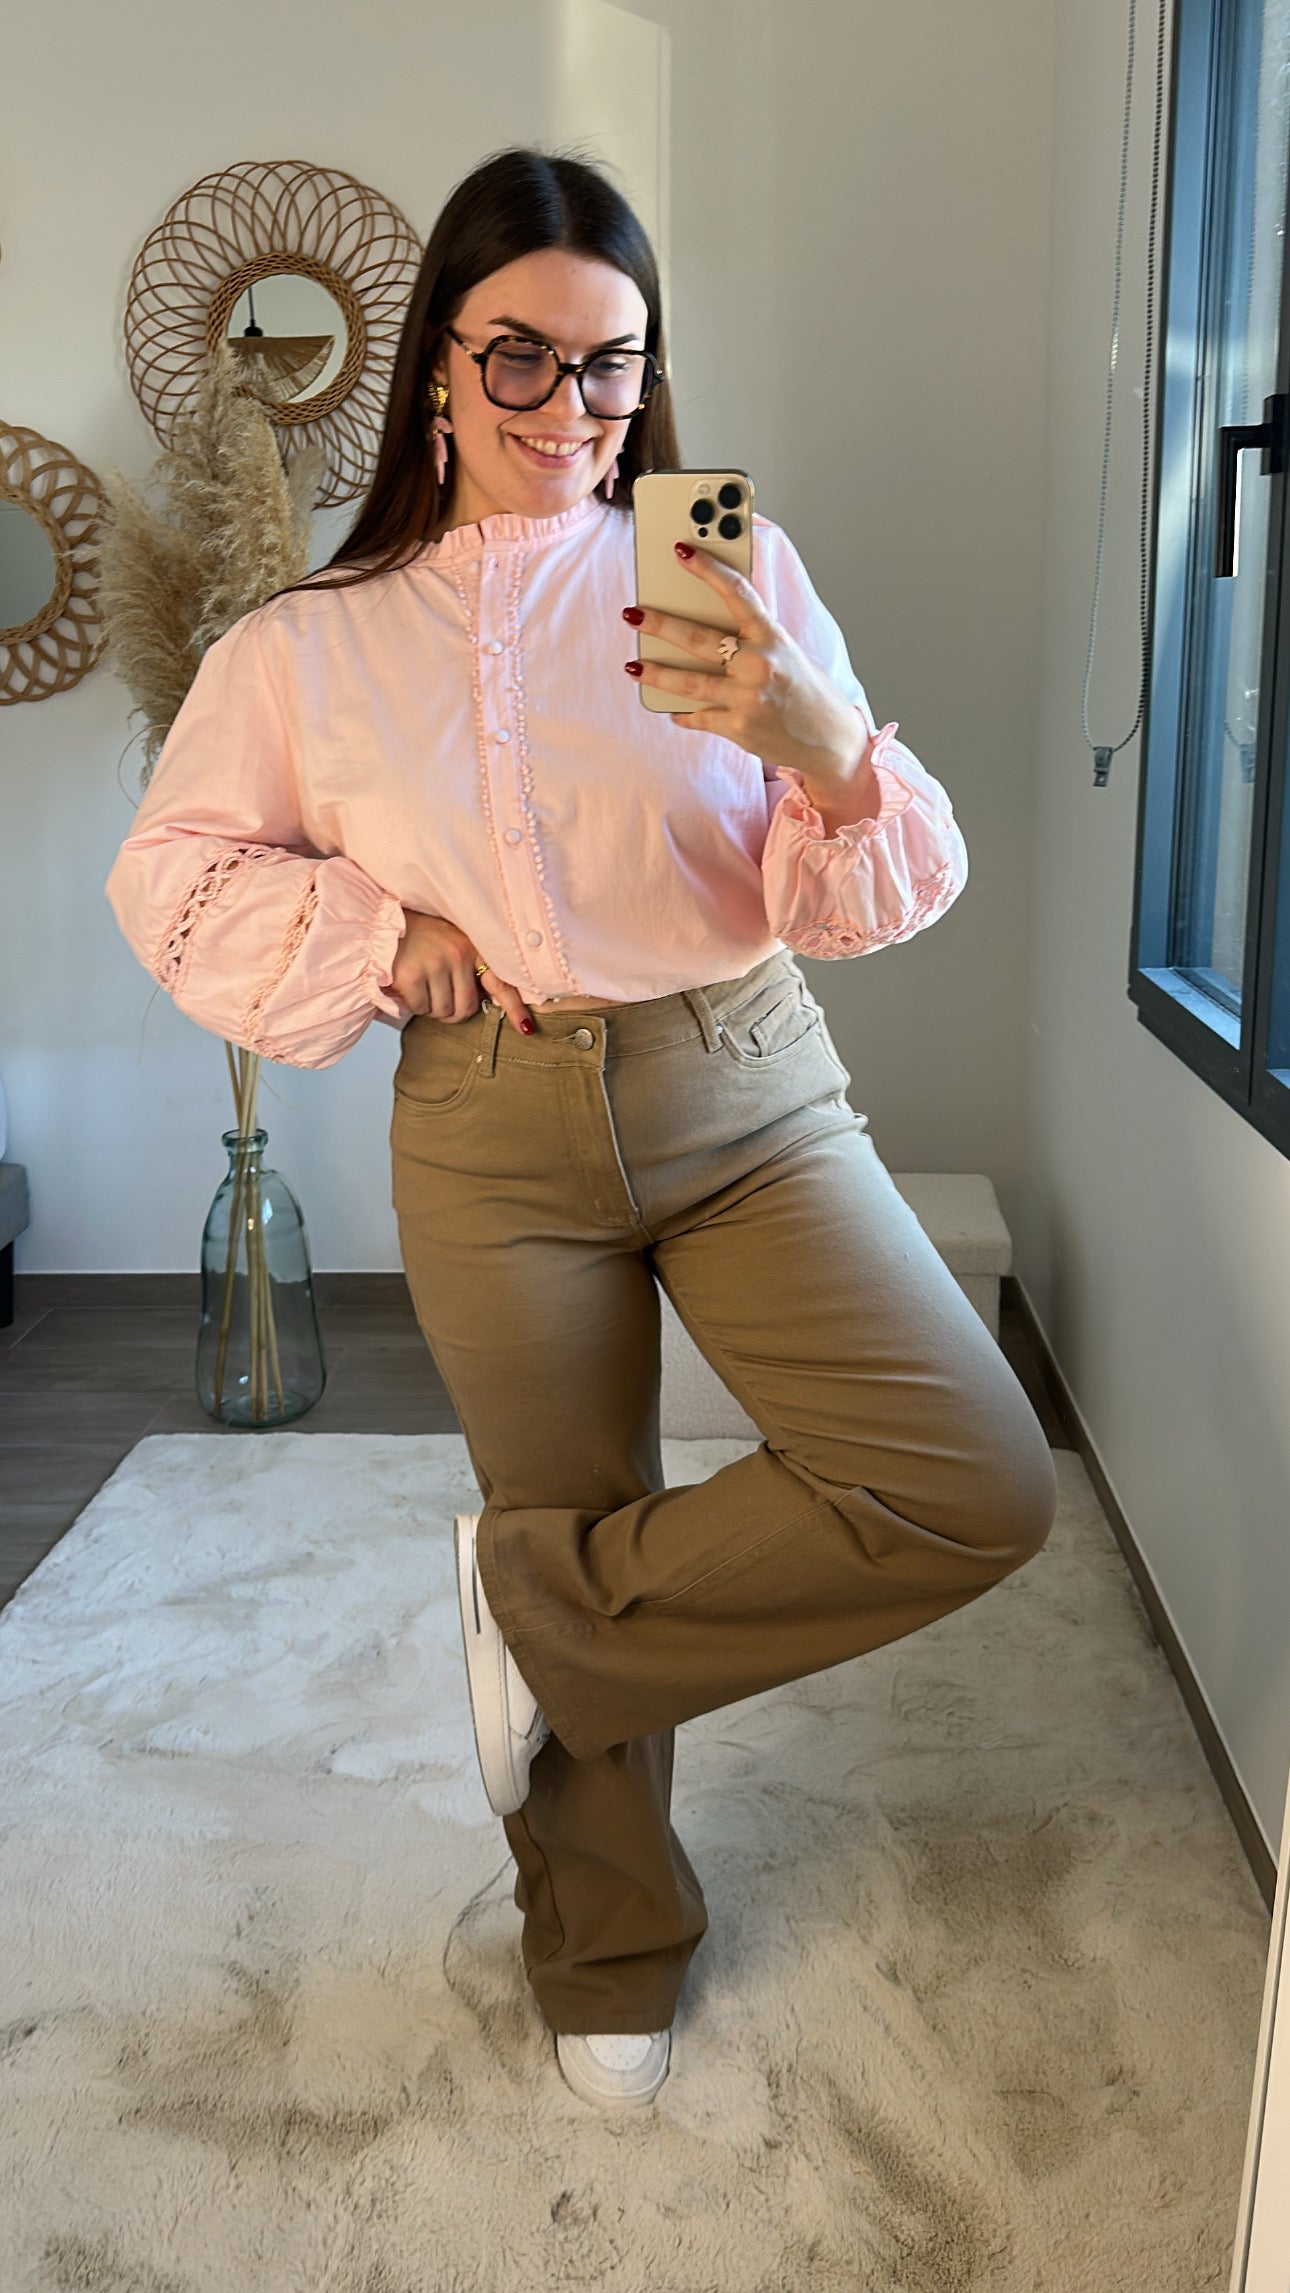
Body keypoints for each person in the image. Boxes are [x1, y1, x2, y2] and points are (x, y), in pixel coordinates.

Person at [105, 145, 1059, 2115]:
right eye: (522, 356)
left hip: (744, 1082)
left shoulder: (727, 575)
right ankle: (609, 1944)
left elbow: (864, 884)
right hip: (490, 1120)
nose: (575, 406)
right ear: (438, 367)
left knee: (971, 1479)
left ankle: (530, 1612)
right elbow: (173, 872)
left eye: (613, 361)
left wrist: (823, 743)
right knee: (573, 1485)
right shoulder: (309, 642)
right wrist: (382, 931)